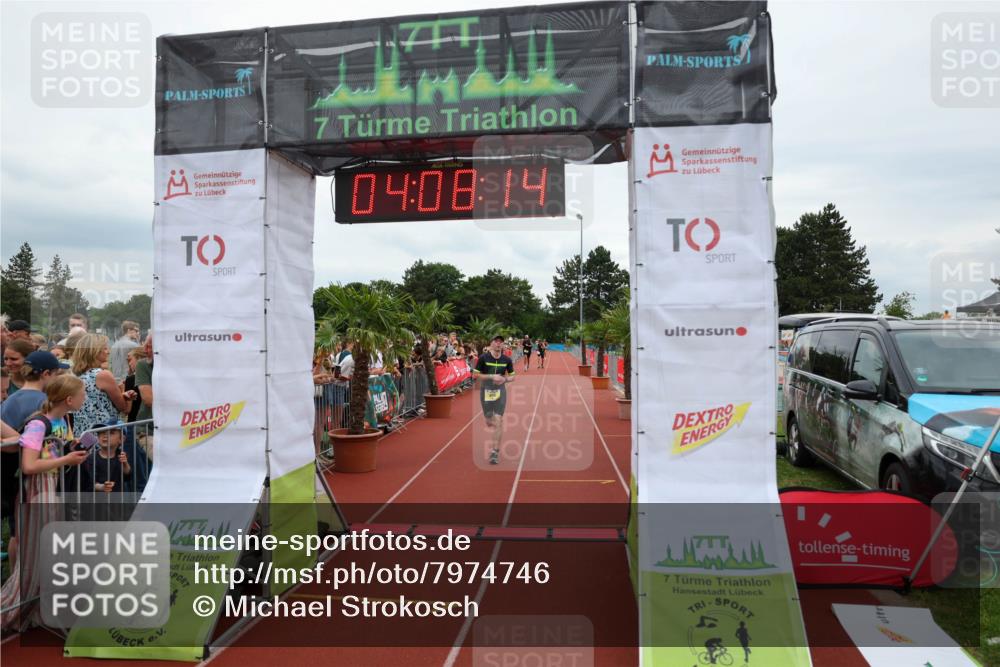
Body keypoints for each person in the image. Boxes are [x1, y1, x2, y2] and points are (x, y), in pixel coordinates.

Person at [0, 374, 89, 630]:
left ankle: (45, 604)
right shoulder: (38, 425)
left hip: (54, 487)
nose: (84, 398)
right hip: (38, 490)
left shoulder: (64, 419)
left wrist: (72, 449)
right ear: (69, 399)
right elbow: (29, 465)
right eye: (82, 394)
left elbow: (56, 451)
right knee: (39, 549)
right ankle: (21, 603)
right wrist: (66, 460)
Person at [0, 351, 70, 552]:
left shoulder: (10, 400)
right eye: (56, 374)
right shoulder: (45, 402)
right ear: (46, 374)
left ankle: (18, 569)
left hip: (10, 472)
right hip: (34, 476)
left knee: (16, 532)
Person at [71, 334, 135, 436]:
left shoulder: (76, 376)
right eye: (105, 348)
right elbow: (124, 408)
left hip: (83, 434)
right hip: (104, 436)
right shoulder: (103, 375)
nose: (108, 351)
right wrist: (126, 393)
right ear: (94, 351)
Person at [474, 335, 516, 465]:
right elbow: (475, 375)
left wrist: (504, 379)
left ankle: (494, 452)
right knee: (489, 420)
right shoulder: (483, 358)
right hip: (486, 392)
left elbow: (513, 376)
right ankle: (488, 417)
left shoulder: (507, 360)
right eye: (496, 341)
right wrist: (492, 376)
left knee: (498, 420)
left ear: (503, 345)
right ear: (491, 343)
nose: (498, 344)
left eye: (500, 342)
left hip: (500, 392)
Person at [81, 420, 132, 494]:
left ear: (121, 439)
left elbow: (128, 476)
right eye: (101, 432)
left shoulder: (122, 455)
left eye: (111, 433)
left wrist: (125, 464)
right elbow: (89, 482)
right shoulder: (91, 458)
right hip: (98, 499)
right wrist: (102, 487)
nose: (105, 435)